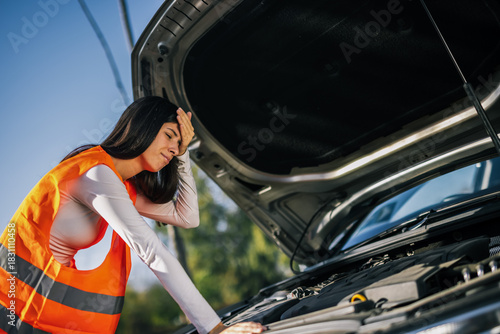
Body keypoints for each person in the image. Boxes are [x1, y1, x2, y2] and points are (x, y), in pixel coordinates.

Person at [0, 96, 267, 334]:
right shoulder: (96, 174)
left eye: (179, 142)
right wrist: (215, 329)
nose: (174, 148)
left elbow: (187, 218)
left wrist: (184, 156)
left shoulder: (120, 185)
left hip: (33, 311)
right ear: (144, 127)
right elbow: (151, 251)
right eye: (169, 135)